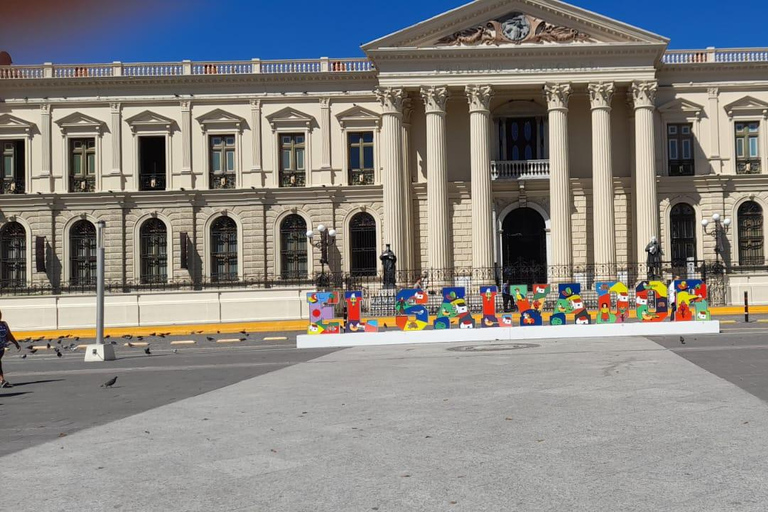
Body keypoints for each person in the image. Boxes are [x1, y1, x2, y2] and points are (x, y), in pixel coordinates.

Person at [0, 310, 21, 388]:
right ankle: (2, 380)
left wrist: (16, 343)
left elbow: (9, 335)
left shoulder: (4, 324)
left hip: (1, 348)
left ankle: (2, 380)